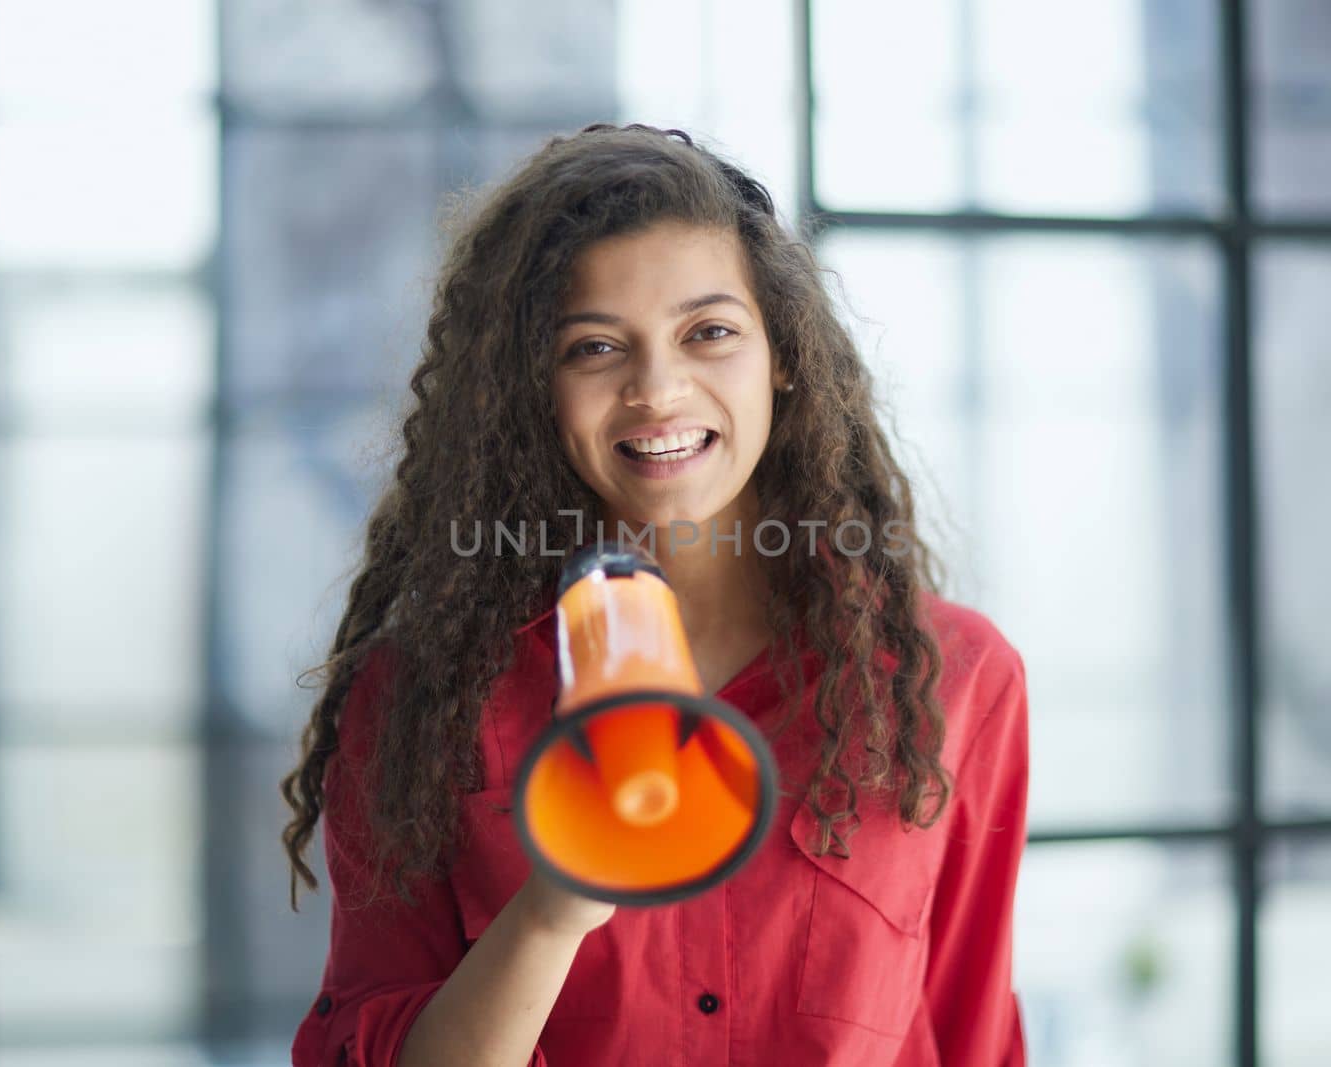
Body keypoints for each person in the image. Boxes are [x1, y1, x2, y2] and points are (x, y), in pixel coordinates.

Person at [280, 122, 1030, 1067]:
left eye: (709, 332)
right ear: (533, 391)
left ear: (783, 354)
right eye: (595, 348)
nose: (658, 389)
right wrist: (555, 907)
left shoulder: (954, 683)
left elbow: (973, 1035)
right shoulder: (418, 698)